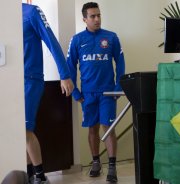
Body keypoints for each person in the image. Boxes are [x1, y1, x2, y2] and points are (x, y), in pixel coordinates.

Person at [66, 2, 125, 183]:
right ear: (84, 19)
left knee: (108, 128)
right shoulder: (77, 40)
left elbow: (120, 63)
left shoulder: (111, 37)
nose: (97, 19)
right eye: (92, 16)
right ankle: (96, 162)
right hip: (88, 94)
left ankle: (112, 167)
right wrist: (75, 91)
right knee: (92, 128)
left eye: (98, 15)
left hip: (108, 92)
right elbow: (70, 68)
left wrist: (118, 86)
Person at [22, 3, 74, 184]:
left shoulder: (31, 11)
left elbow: (51, 41)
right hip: (10, 82)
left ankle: (39, 175)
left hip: (30, 79)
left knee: (24, 129)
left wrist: (65, 74)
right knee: (19, 132)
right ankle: (29, 175)